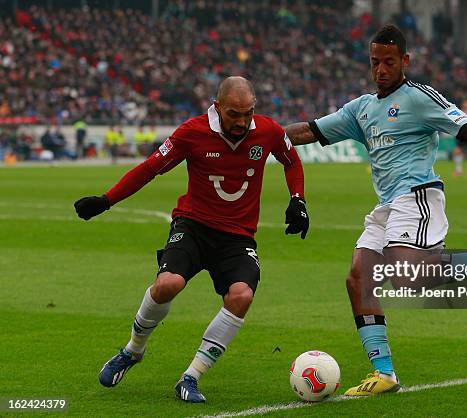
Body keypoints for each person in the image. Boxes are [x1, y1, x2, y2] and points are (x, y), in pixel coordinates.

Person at [285, 25, 467, 396]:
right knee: (358, 279)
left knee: (408, 278)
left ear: (405, 61)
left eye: (389, 62)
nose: (381, 69)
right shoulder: (361, 109)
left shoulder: (419, 97)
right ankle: (384, 374)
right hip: (386, 207)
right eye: (375, 62)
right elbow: (309, 132)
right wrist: (260, 135)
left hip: (418, 197)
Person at [74, 76, 309, 403]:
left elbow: (291, 160)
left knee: (241, 296)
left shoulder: (267, 131)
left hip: (237, 237)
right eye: (234, 114)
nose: (242, 122)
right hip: (193, 226)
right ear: (217, 108)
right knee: (167, 284)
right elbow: (150, 168)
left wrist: (297, 199)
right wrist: (107, 199)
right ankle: (133, 350)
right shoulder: (192, 132)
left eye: (248, 113)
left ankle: (191, 376)